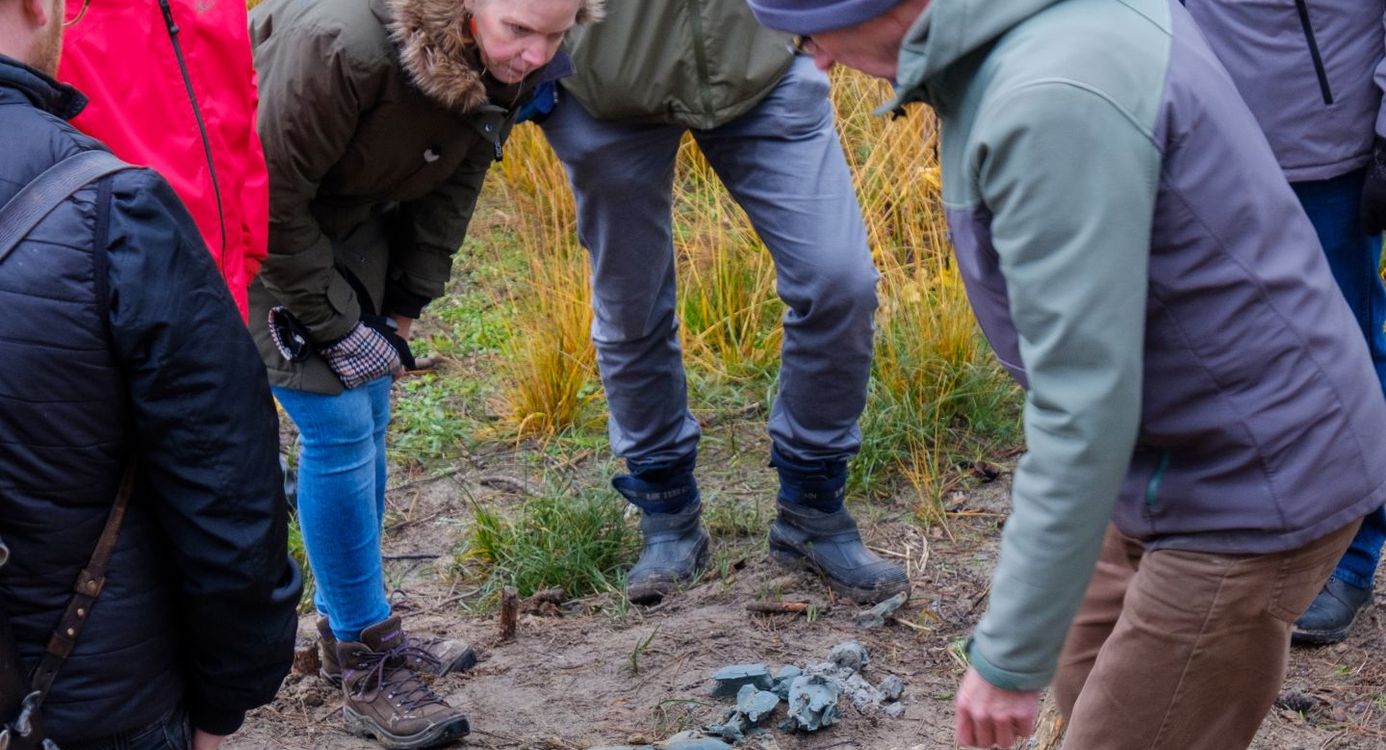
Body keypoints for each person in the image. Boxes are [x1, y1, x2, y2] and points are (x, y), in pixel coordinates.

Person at [746, 1, 1386, 748]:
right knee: (1089, 688)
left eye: (812, 31)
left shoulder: (1051, 98)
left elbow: (1083, 405)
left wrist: (1007, 661)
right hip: (1168, 456)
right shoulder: (1019, 40)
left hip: (1250, 481)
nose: (818, 60)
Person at [247, 0, 602, 745]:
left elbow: (455, 184)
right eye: (520, 30)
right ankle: (367, 664)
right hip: (254, 229)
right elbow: (264, 193)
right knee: (340, 425)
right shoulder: (341, 44)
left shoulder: (508, 60)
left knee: (370, 410)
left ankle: (350, 628)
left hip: (351, 226)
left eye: (557, 34)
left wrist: (401, 310)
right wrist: (337, 326)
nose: (536, 55)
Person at [538, 0, 909, 607]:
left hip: (763, 63)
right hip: (604, 87)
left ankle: (812, 508)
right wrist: (535, 72)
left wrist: (826, 25)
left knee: (839, 281)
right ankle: (666, 510)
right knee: (632, 305)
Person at [0, 0, 301, 746]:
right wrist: (227, 696)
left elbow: (236, 128)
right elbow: (224, 491)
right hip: (93, 694)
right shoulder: (112, 206)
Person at [1181, 0, 1386, 646]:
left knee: (1345, 358)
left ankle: (1350, 560)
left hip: (1324, 151)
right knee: (1216, 354)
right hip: (1199, 142)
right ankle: (1240, 543)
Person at [55, 0, 269, 319]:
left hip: (227, 282)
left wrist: (245, 252)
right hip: (128, 303)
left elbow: (240, 104)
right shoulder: (55, 19)